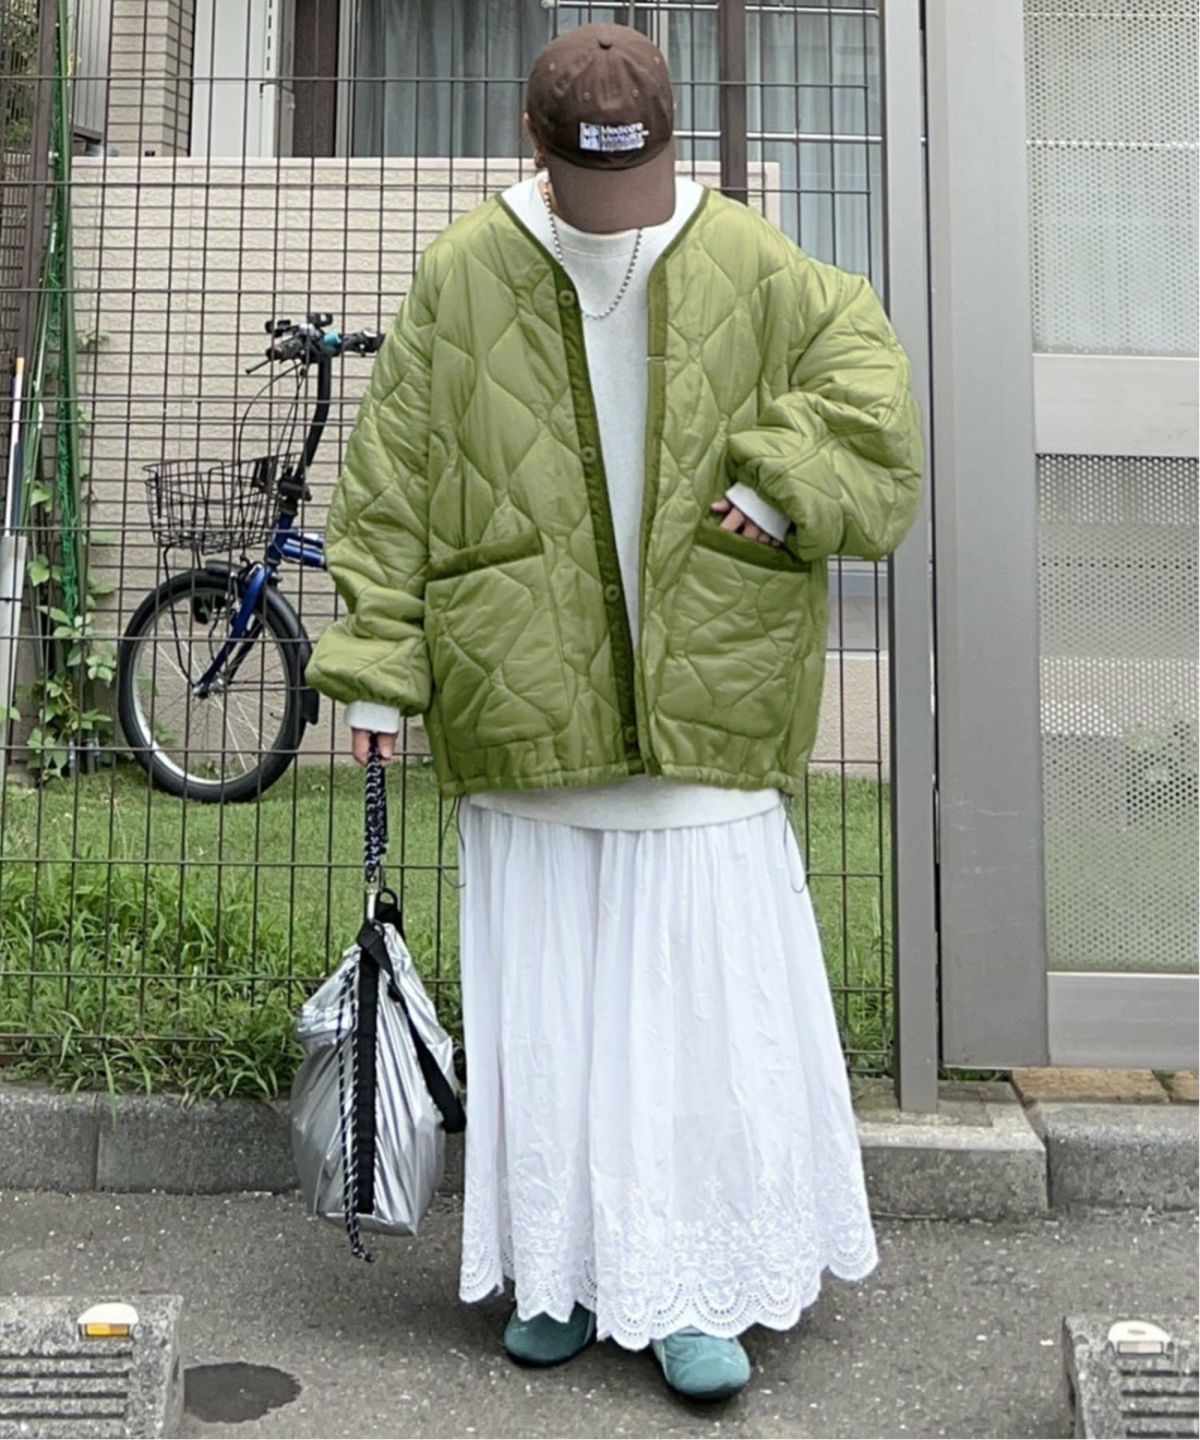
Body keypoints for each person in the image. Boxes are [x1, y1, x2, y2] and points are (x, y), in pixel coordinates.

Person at [305, 22, 923, 1403]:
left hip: (708, 703)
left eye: (635, 179)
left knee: (697, 1021)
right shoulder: (465, 271)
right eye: (593, 183)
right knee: (552, 1022)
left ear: (670, 145)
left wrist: (776, 486)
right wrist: (378, 665)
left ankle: (696, 1288)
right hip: (523, 702)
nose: (616, 208)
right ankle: (562, 1273)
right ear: (537, 149)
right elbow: (391, 483)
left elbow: (875, 408)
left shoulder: (754, 260)